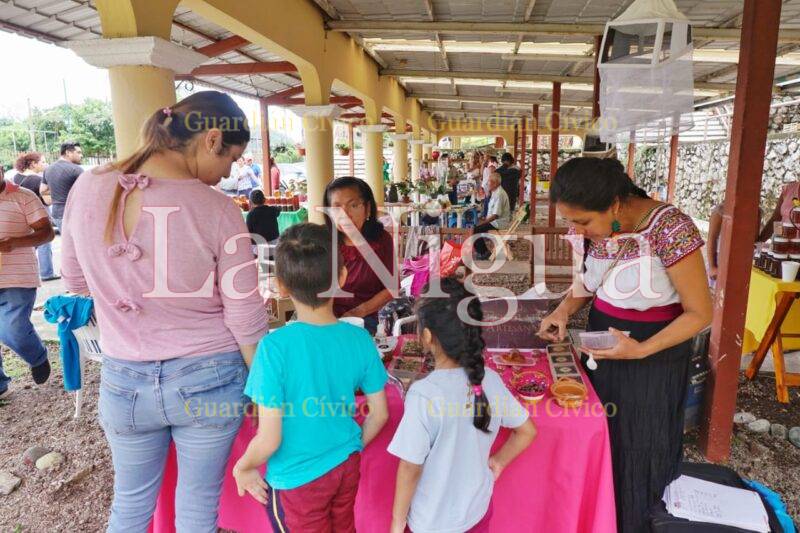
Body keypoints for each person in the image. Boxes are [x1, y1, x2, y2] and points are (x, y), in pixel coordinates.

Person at [60, 91, 269, 532]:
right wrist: (266, 388)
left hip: (124, 378)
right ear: (212, 140)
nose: (230, 172)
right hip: (209, 376)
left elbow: (75, 281)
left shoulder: (86, 187)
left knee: (130, 507)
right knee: (196, 508)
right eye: (232, 158)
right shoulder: (216, 208)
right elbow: (245, 316)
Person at [537, 157, 712, 533]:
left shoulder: (669, 227)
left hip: (652, 358)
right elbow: (590, 281)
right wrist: (564, 311)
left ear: (615, 204)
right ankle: (595, 519)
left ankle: (634, 523)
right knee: (600, 437)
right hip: (603, 345)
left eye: (582, 222)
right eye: (570, 221)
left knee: (638, 447)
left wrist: (642, 349)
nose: (577, 230)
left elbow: (700, 313)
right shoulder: (602, 230)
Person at [233, 223, 389, 531]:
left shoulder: (273, 348)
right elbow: (380, 414)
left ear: (280, 285)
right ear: (342, 278)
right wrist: (351, 445)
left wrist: (244, 466)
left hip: (296, 479)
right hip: (346, 465)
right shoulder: (359, 340)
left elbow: (269, 437)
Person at [388, 278, 536, 533]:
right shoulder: (490, 379)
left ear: (426, 336)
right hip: (477, 512)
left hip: (432, 523)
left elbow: (410, 468)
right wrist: (498, 462)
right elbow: (527, 431)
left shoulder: (424, 395)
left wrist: (396, 523)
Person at [0, 177, 55, 399]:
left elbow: (47, 233)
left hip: (17, 277)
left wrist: (14, 242)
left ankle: (38, 356)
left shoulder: (24, 196)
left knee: (12, 327)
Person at [323, 176, 395, 334]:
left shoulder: (381, 240)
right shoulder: (323, 241)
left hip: (368, 319)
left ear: (367, 208)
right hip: (326, 319)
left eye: (353, 205)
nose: (345, 215)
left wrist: (358, 312)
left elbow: (391, 287)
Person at [13, 153, 57, 281]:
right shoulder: (37, 180)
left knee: (29, 244)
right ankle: (46, 273)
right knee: (44, 242)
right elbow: (46, 201)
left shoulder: (17, 177)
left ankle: (24, 271)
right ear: (33, 164)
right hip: (38, 213)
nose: (45, 164)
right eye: (42, 162)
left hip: (22, 213)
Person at [41, 141, 82, 233]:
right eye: (78, 152)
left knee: (66, 244)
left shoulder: (48, 169)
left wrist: (58, 192)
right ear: (68, 152)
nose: (81, 155)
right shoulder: (76, 170)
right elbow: (86, 193)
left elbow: (42, 190)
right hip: (73, 214)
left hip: (56, 214)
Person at [472, 173, 510, 260]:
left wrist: (483, 222)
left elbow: (495, 215)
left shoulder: (499, 194)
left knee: (475, 230)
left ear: (495, 183)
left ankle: (484, 252)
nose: (487, 183)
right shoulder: (495, 192)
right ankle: (483, 252)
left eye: (489, 181)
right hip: (494, 221)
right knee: (476, 227)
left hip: (498, 223)